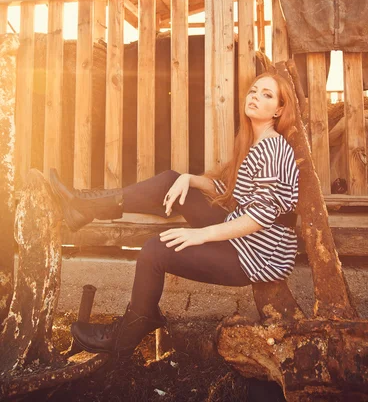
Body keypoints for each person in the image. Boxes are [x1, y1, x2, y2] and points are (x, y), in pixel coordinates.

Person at [50, 71, 299, 357]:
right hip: (242, 235)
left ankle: (127, 333)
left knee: (155, 250)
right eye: (254, 91)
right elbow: (231, 193)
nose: (255, 96)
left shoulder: (273, 148)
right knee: (172, 179)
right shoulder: (255, 142)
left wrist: (199, 235)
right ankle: (85, 207)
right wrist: (189, 179)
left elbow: (260, 216)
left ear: (279, 110)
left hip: (257, 254)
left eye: (267, 95)